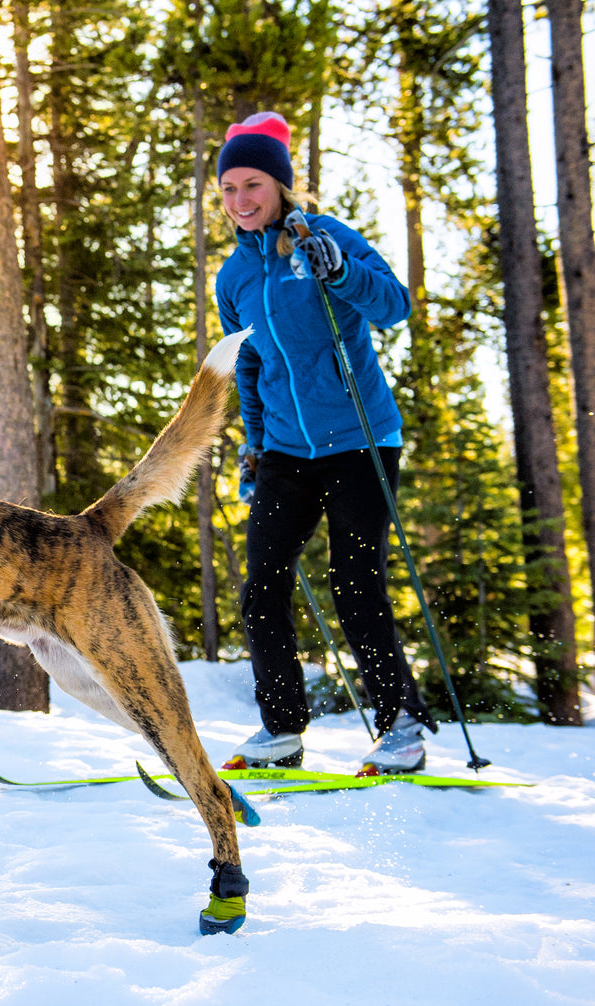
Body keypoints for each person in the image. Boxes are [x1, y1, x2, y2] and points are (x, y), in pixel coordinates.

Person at [213, 111, 437, 775]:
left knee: (355, 580)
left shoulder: (325, 237)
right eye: (228, 188)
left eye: (253, 184)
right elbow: (249, 368)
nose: (241, 200)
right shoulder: (233, 278)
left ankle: (402, 725)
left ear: (280, 186)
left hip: (359, 438)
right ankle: (281, 728)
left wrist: (340, 273)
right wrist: (254, 448)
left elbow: (392, 304)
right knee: (262, 585)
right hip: (284, 449)